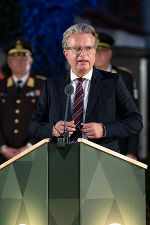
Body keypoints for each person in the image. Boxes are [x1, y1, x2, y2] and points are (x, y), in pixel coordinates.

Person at [29, 23, 143, 153]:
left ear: (94, 52)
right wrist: (53, 129)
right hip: (62, 161)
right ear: (66, 53)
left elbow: (136, 122)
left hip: (102, 162)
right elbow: (34, 126)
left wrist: (104, 129)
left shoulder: (113, 82)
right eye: (77, 48)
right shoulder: (52, 84)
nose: (83, 54)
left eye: (88, 48)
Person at [94, 32, 139, 159]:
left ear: (110, 53)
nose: (98, 54)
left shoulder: (124, 78)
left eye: (102, 50)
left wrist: (132, 151)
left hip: (119, 147)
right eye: (94, 50)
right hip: (88, 146)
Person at [0, 39, 46, 163]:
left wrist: (30, 146)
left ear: (30, 61)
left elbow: (47, 119)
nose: (19, 61)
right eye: (15, 58)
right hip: (2, 156)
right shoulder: (1, 86)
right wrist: (3, 147)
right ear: (9, 63)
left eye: (23, 58)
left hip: (34, 154)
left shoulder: (43, 86)